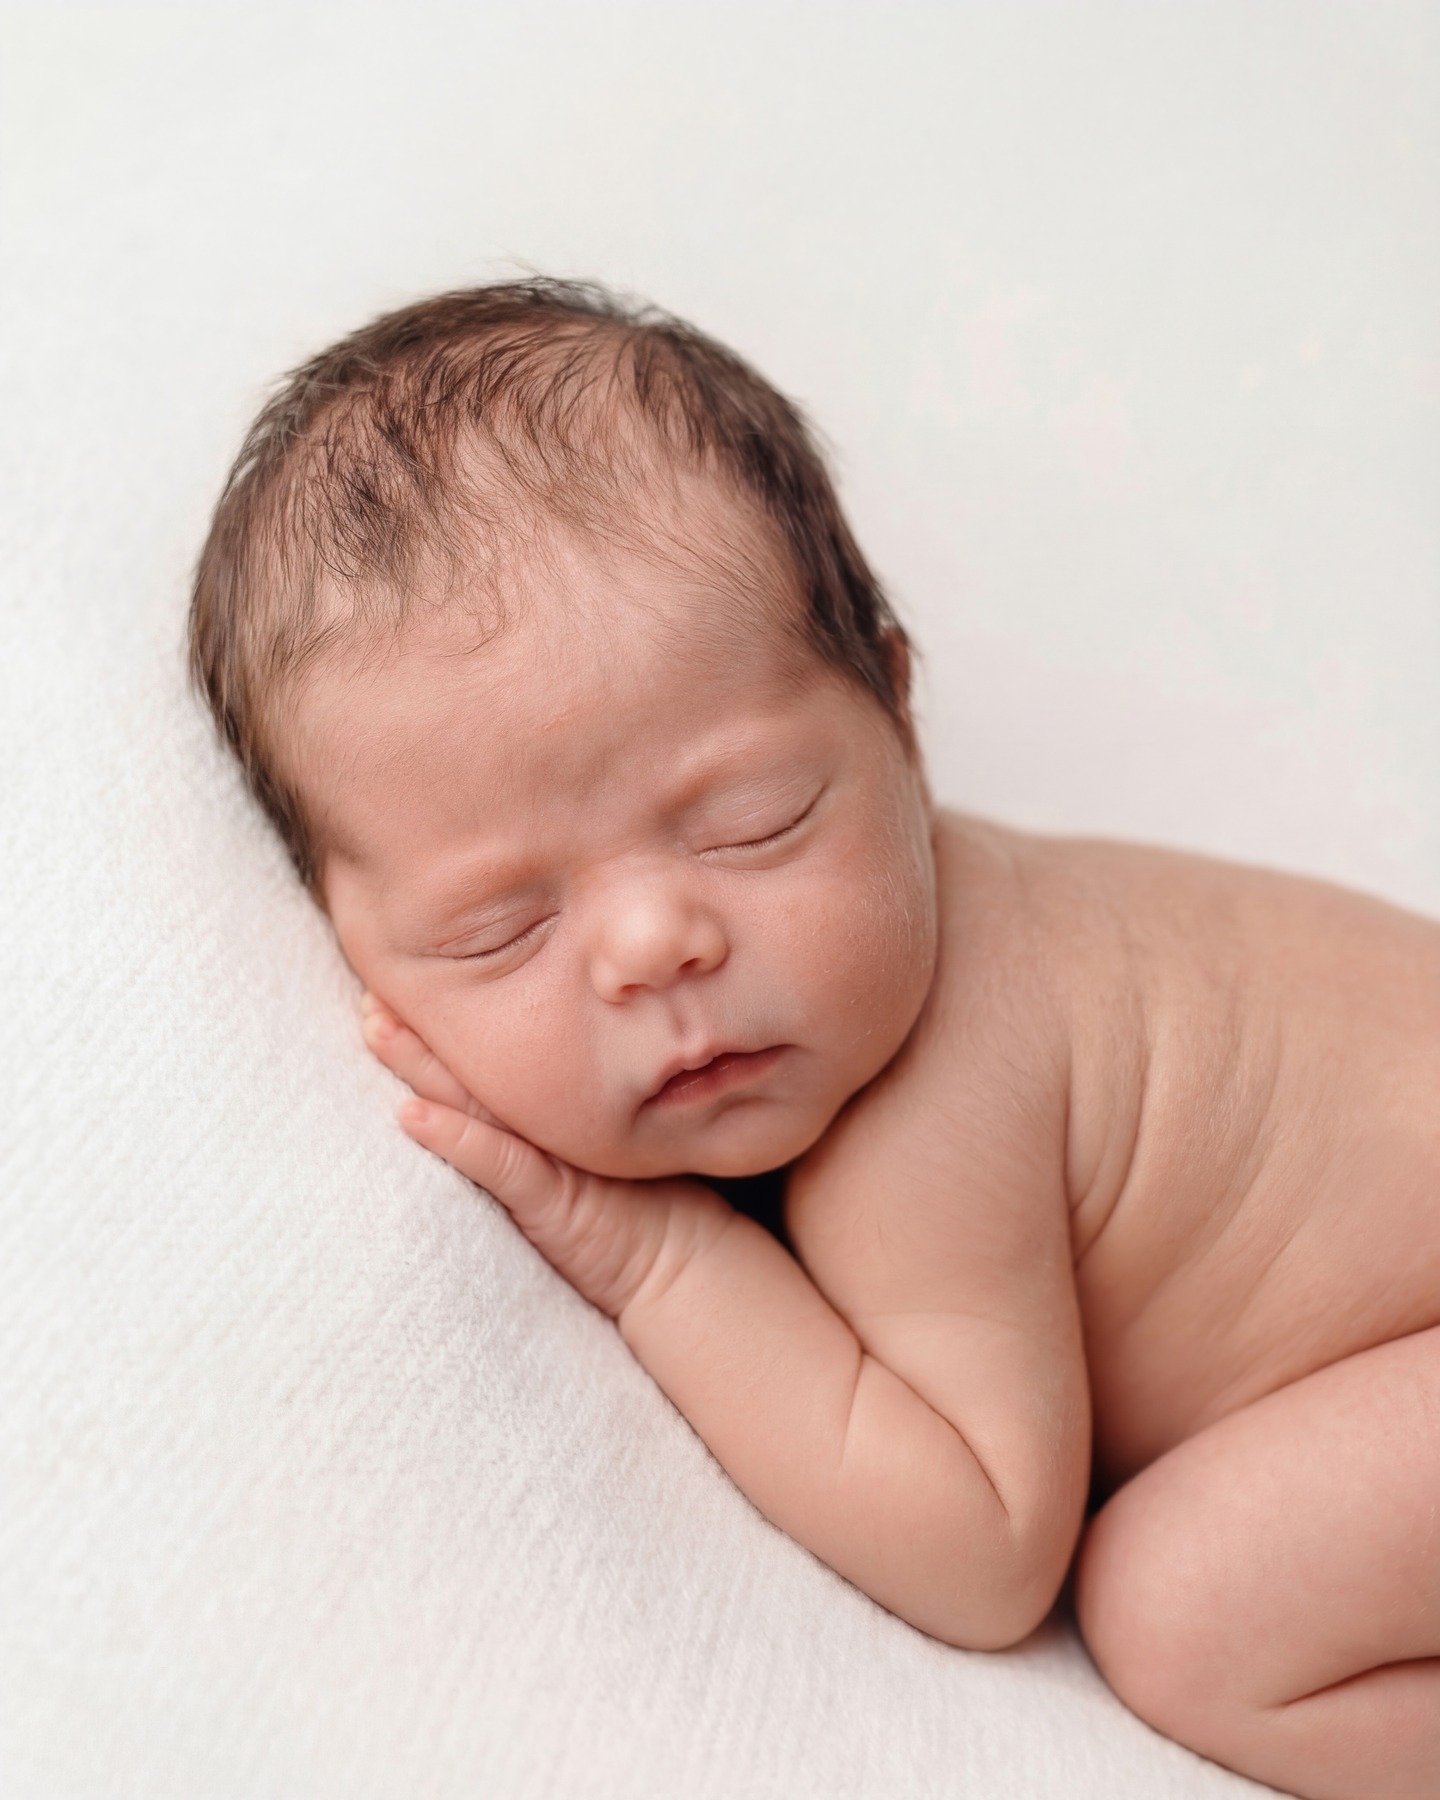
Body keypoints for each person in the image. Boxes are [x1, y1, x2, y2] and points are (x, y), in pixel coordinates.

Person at [189, 279, 1440, 1800]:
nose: (656, 948)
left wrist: (654, 1257)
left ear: (897, 720)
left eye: (755, 823)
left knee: (1187, 1614)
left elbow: (984, 1552)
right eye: (498, 930)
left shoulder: (928, 1102)